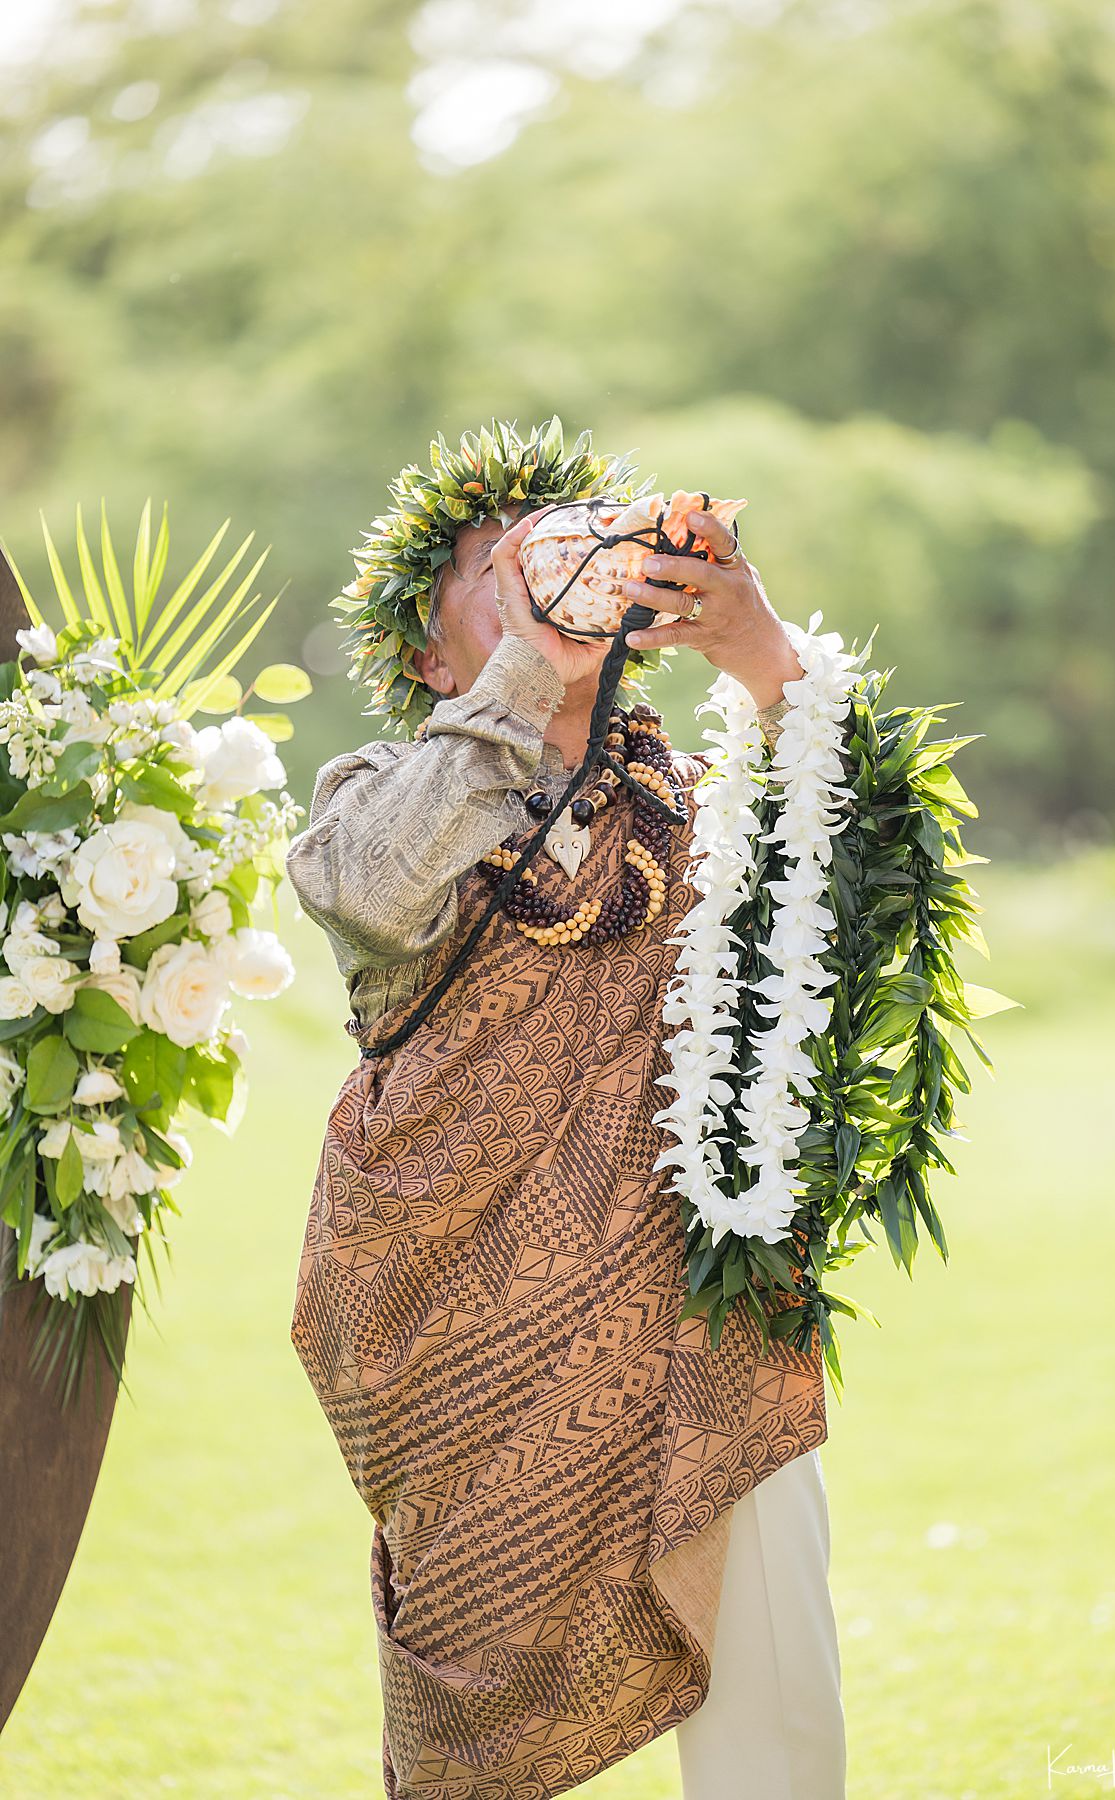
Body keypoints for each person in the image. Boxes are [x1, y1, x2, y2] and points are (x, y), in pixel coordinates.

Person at [285, 419, 847, 1800]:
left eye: (571, 539)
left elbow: (871, 891)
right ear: (429, 656)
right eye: (498, 565)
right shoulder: (374, 795)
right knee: (477, 1688)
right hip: (461, 1315)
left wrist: (766, 657)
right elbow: (368, 887)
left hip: (699, 1291)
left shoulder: (706, 801)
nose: (548, 567)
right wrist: (535, 663)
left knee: (770, 1643)